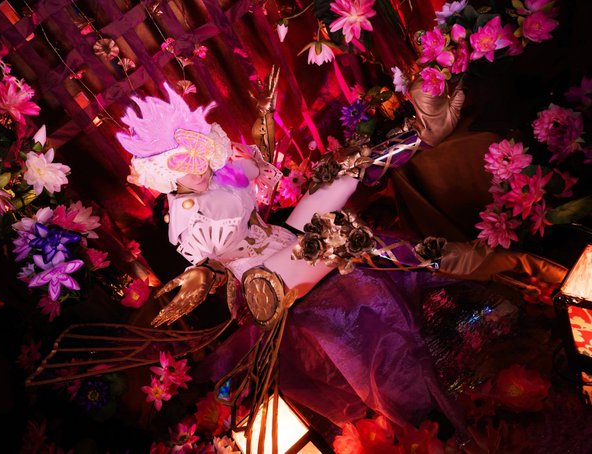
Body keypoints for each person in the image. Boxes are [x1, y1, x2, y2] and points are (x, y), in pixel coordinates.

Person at [114, 79, 566, 435]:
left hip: (283, 242)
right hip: (261, 283)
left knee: (341, 174)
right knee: (339, 237)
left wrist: (264, 118)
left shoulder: (221, 176)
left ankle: (424, 132)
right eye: (182, 161)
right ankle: (460, 260)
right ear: (163, 173)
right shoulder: (185, 214)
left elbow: (258, 171)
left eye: (197, 152)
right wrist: (206, 274)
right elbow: (213, 255)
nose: (197, 164)